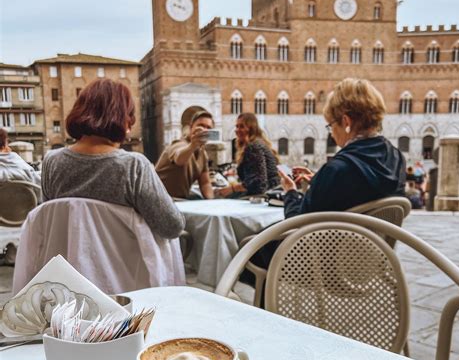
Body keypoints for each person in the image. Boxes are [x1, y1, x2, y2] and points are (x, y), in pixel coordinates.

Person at [41, 78, 184, 240]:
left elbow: (46, 220)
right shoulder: (134, 166)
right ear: (123, 120)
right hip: (122, 264)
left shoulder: (51, 162)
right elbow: (172, 227)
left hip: (69, 261)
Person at [279, 78, 406, 217]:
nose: (332, 134)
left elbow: (297, 223)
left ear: (346, 122)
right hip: (378, 238)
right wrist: (319, 180)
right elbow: (359, 188)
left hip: (328, 238)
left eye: (331, 125)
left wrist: (290, 191)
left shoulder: (336, 170)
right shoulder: (397, 158)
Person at [216, 113, 280, 197]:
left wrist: (231, 189)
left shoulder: (253, 147)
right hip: (270, 192)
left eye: (242, 126)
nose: (237, 130)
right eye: (237, 126)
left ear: (251, 129)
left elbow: (258, 183)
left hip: (265, 197)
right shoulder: (258, 143)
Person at [156, 110, 215, 199]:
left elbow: (205, 183)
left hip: (179, 200)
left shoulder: (203, 154)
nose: (204, 130)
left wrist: (212, 203)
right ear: (191, 128)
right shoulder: (179, 144)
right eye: (201, 126)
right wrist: (193, 145)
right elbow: (179, 159)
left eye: (208, 128)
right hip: (161, 198)